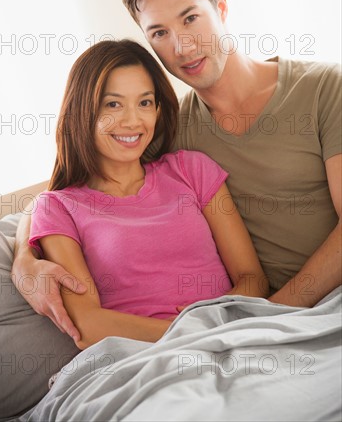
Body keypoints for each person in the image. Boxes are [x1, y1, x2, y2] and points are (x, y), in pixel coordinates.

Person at [12, 0, 341, 341]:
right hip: (251, 326)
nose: (182, 46)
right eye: (160, 32)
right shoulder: (170, 129)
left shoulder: (325, 89)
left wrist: (271, 316)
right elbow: (73, 189)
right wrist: (23, 260)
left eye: (190, 19)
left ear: (220, 8)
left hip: (305, 308)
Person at [22, 39, 268, 349]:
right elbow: (87, 325)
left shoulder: (191, 169)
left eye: (145, 102)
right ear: (83, 111)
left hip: (234, 337)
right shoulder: (59, 207)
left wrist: (214, 325)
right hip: (145, 356)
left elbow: (253, 279)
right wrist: (188, 333)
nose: (133, 120)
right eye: (113, 104)